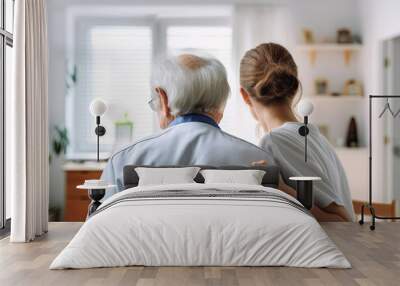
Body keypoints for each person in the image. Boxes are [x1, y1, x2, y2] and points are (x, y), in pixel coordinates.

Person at [101, 54, 274, 198]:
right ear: (221, 104)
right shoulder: (258, 160)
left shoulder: (124, 160)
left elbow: (99, 229)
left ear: (163, 99)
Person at [239, 43, 355, 222]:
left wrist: (280, 187)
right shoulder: (313, 136)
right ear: (292, 85)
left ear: (245, 95)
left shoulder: (275, 141)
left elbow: (342, 222)